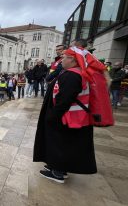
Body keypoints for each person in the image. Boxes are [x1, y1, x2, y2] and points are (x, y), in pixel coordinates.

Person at [33, 47, 97, 184]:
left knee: (59, 143)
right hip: (67, 117)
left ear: (73, 60)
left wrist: (52, 116)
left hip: (65, 118)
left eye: (65, 57)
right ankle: (57, 167)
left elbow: (65, 100)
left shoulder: (73, 75)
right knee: (60, 143)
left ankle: (57, 172)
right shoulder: (73, 73)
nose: (62, 60)